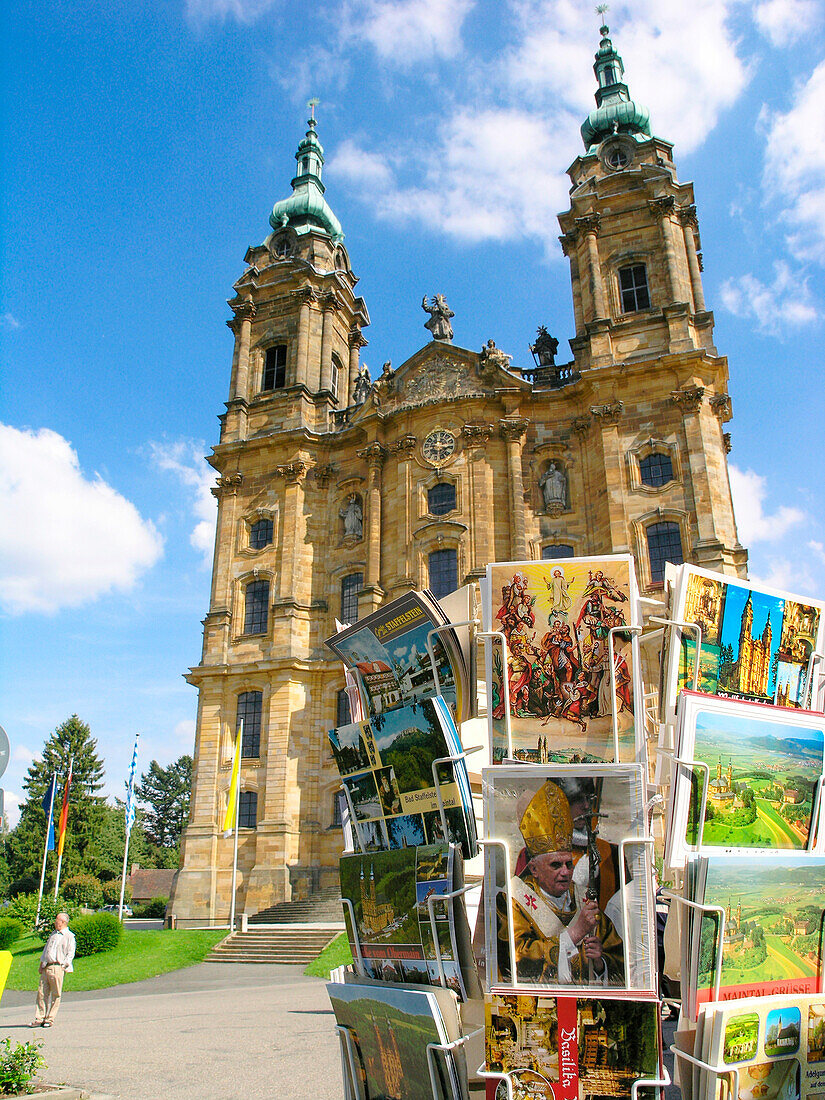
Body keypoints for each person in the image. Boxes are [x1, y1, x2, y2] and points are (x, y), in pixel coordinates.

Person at [496, 780, 624, 986]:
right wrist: (573, 935)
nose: (565, 872)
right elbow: (515, 957)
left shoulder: (584, 898)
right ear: (534, 869)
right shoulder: (512, 900)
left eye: (568, 864)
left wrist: (600, 963)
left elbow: (617, 958)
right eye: (556, 865)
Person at [31, 912, 76, 1027]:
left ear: (63, 922)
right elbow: (46, 950)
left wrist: (64, 965)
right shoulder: (53, 934)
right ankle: (40, 1017)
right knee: (42, 993)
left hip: (58, 967)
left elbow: (70, 953)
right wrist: (41, 964)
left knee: (55, 994)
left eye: (57, 920)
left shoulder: (69, 936)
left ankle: (50, 1018)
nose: (55, 922)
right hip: (47, 966)